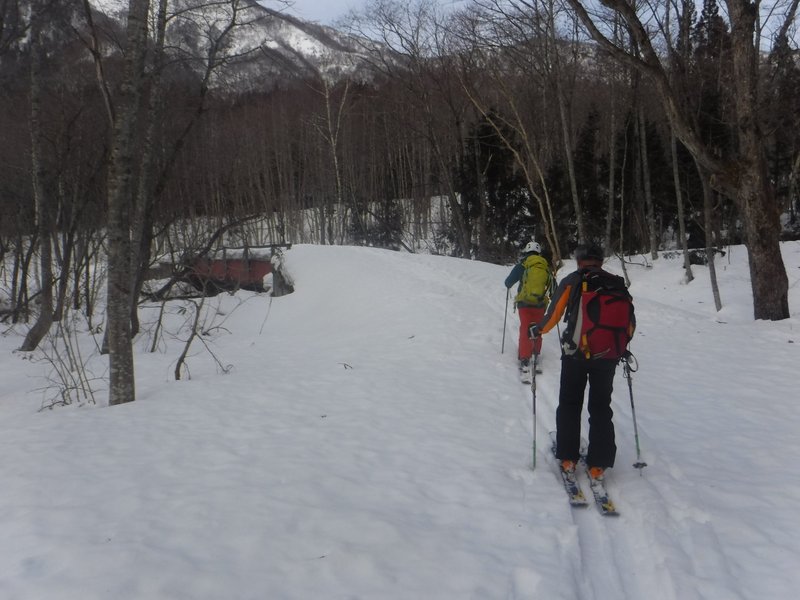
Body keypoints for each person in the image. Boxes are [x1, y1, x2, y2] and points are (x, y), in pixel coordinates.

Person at [528, 243, 635, 482]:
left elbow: (553, 315)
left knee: (570, 403)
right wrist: (621, 348)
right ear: (600, 261)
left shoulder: (573, 281)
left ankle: (568, 459)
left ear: (579, 261)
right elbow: (629, 325)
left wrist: (538, 330)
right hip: (608, 356)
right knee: (600, 408)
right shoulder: (616, 284)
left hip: (576, 354)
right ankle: (598, 465)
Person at [504, 241, 552, 378]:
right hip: (540, 304)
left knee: (525, 328)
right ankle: (536, 353)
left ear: (526, 252)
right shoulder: (545, 267)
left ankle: (525, 358)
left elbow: (508, 282)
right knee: (537, 329)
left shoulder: (523, 265)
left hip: (524, 304)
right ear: (539, 253)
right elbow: (553, 286)